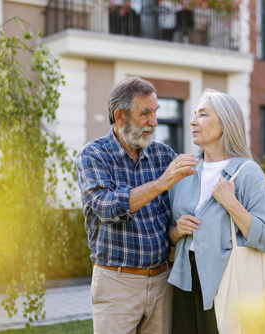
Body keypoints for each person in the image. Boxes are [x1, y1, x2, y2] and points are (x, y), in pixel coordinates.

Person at [75, 76, 199, 334]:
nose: (154, 122)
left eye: (155, 112)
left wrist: (244, 180)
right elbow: (105, 206)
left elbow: (201, 178)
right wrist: (160, 184)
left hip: (162, 281)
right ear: (120, 117)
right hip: (116, 283)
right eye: (145, 113)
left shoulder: (162, 154)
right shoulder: (93, 155)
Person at [167, 89, 265, 333]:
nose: (192, 121)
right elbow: (166, 230)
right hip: (185, 279)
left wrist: (231, 203)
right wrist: (176, 232)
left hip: (227, 280)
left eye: (203, 114)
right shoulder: (185, 172)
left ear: (225, 124)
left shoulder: (249, 172)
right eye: (194, 114)